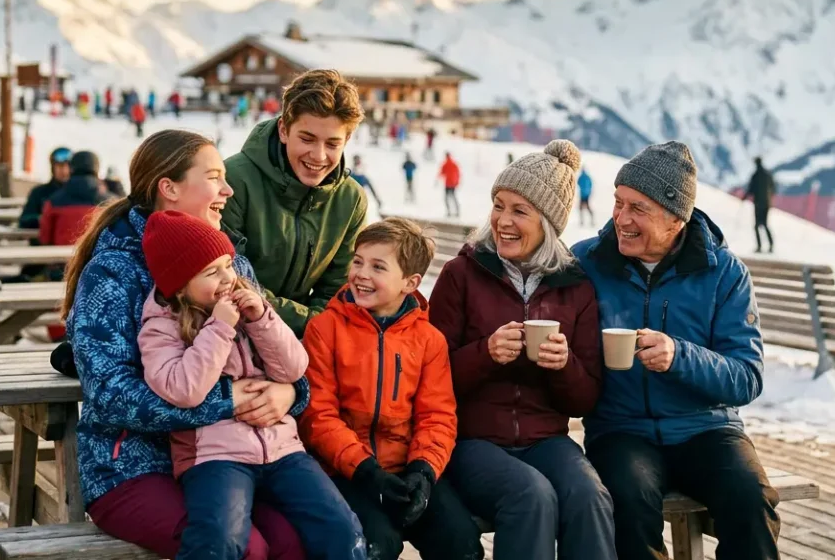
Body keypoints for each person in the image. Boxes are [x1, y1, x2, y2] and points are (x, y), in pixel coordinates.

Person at [59, 130, 311, 559]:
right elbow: (110, 392)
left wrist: (291, 392)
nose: (228, 190)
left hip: (233, 456)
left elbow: (271, 350)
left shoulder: (232, 261)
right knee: (246, 549)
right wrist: (225, 401)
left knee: (295, 540)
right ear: (169, 188)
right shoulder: (113, 272)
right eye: (214, 177)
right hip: (134, 464)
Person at [572, 141, 778, 560]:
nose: (621, 219)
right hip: (621, 430)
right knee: (626, 502)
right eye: (618, 202)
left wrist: (679, 356)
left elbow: (747, 376)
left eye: (638, 209)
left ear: (675, 219)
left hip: (706, 429)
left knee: (751, 501)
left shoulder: (723, 272)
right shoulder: (586, 263)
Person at [137, 211, 366, 559]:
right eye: (211, 272)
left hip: (283, 449)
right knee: (220, 538)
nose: (227, 278)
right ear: (180, 284)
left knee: (341, 527)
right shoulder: (161, 327)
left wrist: (262, 318)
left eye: (228, 265)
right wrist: (219, 329)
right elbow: (183, 390)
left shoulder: (247, 307)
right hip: (214, 457)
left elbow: (294, 368)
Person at [430, 140, 612, 560]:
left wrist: (564, 366)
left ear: (548, 223)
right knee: (532, 496)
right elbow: (429, 377)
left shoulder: (575, 287)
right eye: (498, 205)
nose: (502, 221)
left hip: (545, 439)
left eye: (519, 210)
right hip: (470, 441)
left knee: (590, 496)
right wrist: (485, 353)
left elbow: (585, 399)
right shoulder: (462, 274)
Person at [300, 217, 483, 560]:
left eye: (378, 266)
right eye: (358, 261)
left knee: (461, 542)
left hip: (404, 471)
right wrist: (367, 471)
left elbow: (437, 416)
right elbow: (318, 416)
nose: (361, 274)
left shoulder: (428, 340)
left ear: (409, 282)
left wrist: (423, 472)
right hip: (345, 471)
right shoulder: (325, 329)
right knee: (375, 544)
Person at [221, 69, 368, 336]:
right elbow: (225, 282)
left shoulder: (351, 200)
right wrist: (309, 322)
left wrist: (309, 331)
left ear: (347, 140)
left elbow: (337, 292)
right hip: (230, 331)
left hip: (305, 341)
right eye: (307, 139)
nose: (319, 155)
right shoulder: (233, 180)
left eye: (333, 144)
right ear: (284, 129)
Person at [40, 151, 115, 248]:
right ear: (97, 169)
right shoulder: (112, 204)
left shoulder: (53, 201)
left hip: (62, 261)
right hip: (100, 261)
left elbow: (44, 238)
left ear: (71, 169)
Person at [18, 146, 72, 230]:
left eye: (68, 166)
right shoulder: (39, 193)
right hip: (45, 242)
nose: (64, 171)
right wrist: (45, 219)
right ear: (53, 168)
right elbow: (24, 220)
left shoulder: (79, 193)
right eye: (60, 166)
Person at [741, 157, 775, 253]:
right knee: (765, 224)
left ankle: (759, 246)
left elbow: (751, 189)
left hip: (758, 204)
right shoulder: (767, 174)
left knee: (757, 225)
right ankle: (771, 245)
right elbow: (773, 187)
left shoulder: (756, 175)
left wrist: (744, 197)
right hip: (767, 203)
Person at [439, 153, 461, 218]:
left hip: (448, 184)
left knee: (447, 198)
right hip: (453, 184)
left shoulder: (445, 164)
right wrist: (457, 182)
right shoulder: (454, 164)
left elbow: (441, 173)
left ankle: (448, 211)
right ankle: (457, 211)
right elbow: (458, 173)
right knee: (453, 197)